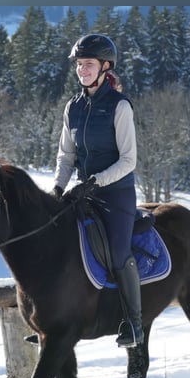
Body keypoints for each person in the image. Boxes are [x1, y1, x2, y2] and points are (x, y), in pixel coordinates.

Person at [53, 34, 143, 348]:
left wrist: (94, 183)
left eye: (88, 64)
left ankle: (133, 324)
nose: (82, 70)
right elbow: (66, 155)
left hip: (116, 195)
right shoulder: (72, 107)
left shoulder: (119, 107)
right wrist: (57, 188)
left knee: (118, 253)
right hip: (81, 193)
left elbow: (128, 160)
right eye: (79, 65)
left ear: (105, 67)